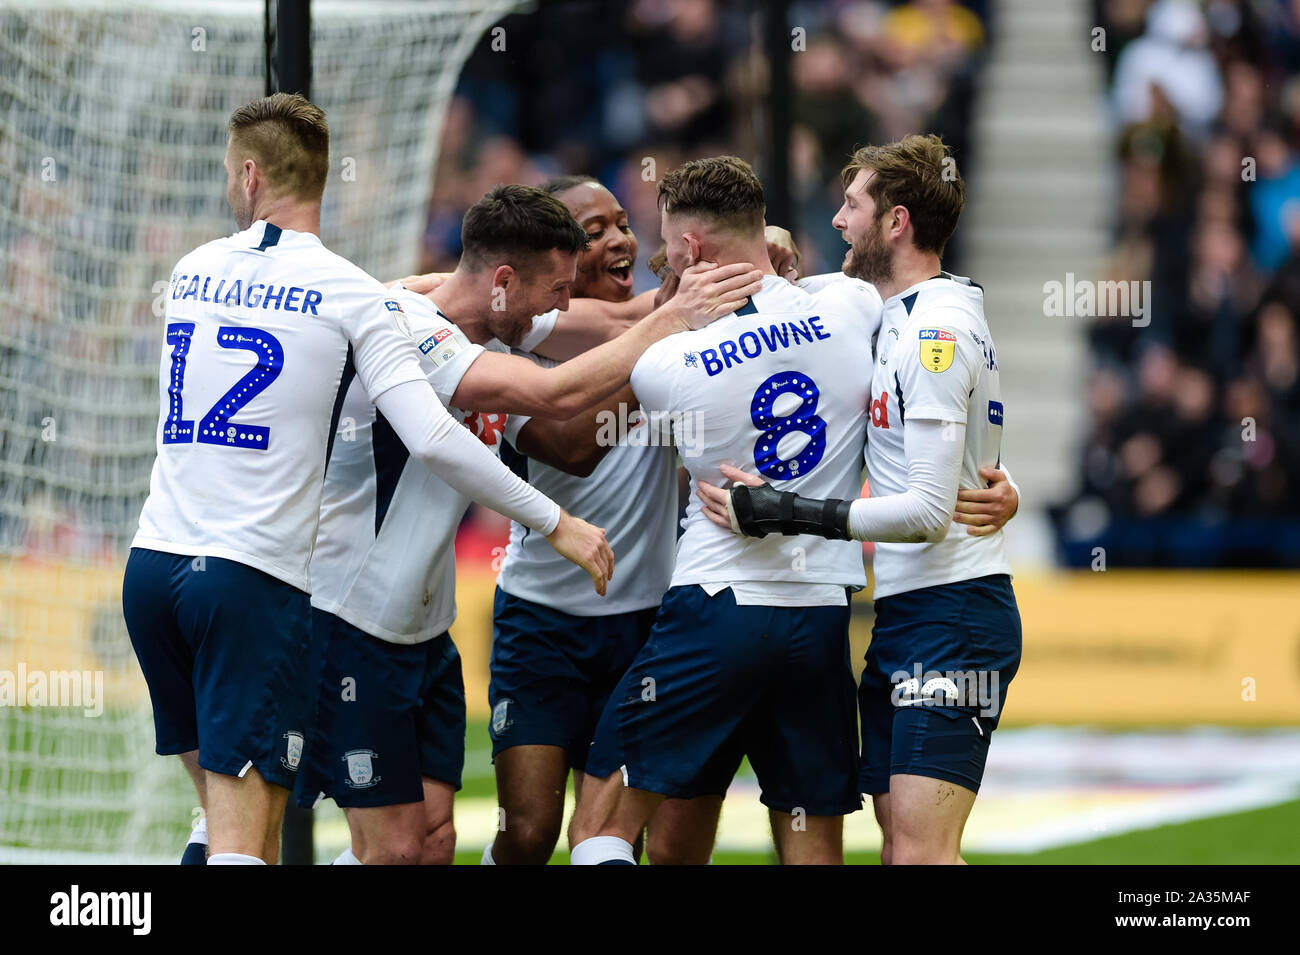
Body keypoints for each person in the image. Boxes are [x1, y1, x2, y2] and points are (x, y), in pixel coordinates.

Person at [121, 93, 611, 865]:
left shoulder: (193, 270)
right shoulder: (358, 295)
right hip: (264, 581)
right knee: (252, 841)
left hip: (155, 566)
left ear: (249, 176)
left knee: (245, 821)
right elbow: (440, 436)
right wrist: (557, 519)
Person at [299, 183, 761, 864]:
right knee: (405, 841)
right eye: (556, 285)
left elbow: (610, 334)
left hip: (428, 633)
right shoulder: (412, 325)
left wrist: (730, 271)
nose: (563, 304)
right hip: (357, 619)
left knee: (433, 839)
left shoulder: (497, 343)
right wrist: (559, 524)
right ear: (506, 279)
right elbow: (554, 404)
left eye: (621, 227)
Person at [697, 135, 1021, 864]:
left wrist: (787, 510)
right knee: (903, 849)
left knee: (918, 854)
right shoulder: (902, 312)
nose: (838, 220)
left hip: (954, 611)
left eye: (852, 205)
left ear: (896, 222)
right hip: (914, 612)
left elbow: (927, 511)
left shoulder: (932, 331)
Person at [568, 156, 884, 865]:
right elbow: (812, 290)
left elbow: (641, 353)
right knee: (813, 851)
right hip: (822, 614)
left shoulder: (666, 365)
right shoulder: (851, 306)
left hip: (718, 607)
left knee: (599, 827)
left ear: (689, 251)